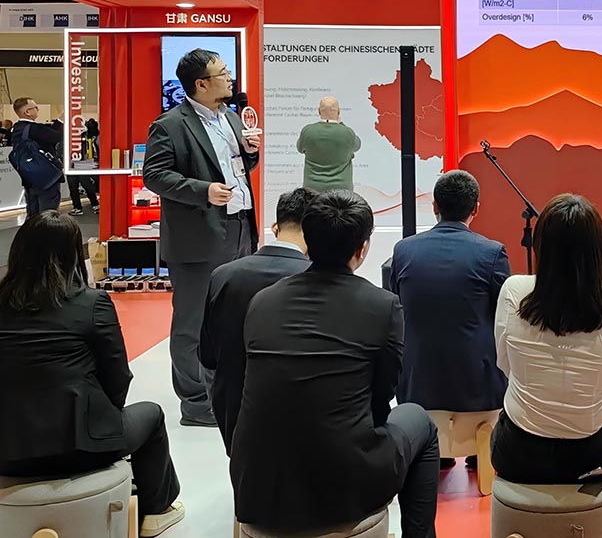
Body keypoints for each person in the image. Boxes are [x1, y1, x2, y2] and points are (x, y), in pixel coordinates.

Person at [230, 191, 439, 537]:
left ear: (307, 241)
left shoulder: (263, 301)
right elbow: (381, 397)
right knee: (419, 420)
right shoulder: (382, 305)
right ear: (362, 249)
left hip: (255, 488)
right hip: (342, 491)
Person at [0, 212, 184, 537]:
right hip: (80, 448)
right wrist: (106, 419)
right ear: (74, 253)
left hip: (8, 451)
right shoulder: (92, 303)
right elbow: (118, 376)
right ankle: (156, 510)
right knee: (152, 415)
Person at [142, 49, 260, 427]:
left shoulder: (231, 117)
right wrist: (202, 191)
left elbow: (237, 167)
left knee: (233, 314)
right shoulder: (170, 125)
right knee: (193, 322)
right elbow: (154, 176)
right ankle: (195, 404)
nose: (230, 78)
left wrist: (250, 153)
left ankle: (226, 389)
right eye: (223, 74)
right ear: (201, 84)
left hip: (239, 226)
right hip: (197, 237)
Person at [491, 193, 602, 484]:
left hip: (519, 454)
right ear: (598, 250)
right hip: (595, 454)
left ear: (540, 246)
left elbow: (505, 365)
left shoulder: (513, 292)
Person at [390, 170, 510, 466]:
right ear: (476, 209)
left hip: (417, 386)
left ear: (435, 206)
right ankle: (477, 454)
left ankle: (437, 454)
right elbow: (503, 316)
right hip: (479, 390)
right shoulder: (492, 253)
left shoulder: (404, 250)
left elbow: (398, 306)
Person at [200, 187, 315, 454]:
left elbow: (207, 355)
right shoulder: (317, 279)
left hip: (234, 409)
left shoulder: (223, 276)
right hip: (301, 412)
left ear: (275, 227)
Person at [9, 97, 64, 218]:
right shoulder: (33, 128)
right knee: (48, 215)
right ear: (27, 112)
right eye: (35, 107)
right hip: (46, 178)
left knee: (33, 214)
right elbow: (55, 137)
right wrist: (62, 122)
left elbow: (47, 134)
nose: (37, 110)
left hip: (29, 177)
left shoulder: (17, 129)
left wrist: (59, 121)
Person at [296, 96, 361, 192]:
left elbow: (300, 148)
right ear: (339, 111)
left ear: (319, 111)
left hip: (312, 190)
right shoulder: (347, 132)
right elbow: (357, 146)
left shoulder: (308, 131)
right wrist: (341, 123)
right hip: (342, 191)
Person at [68, 119, 101, 215]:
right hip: (83, 164)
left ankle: (79, 207)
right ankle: (93, 204)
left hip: (77, 164)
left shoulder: (74, 136)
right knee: (85, 185)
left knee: (77, 186)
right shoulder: (90, 136)